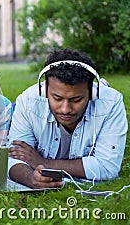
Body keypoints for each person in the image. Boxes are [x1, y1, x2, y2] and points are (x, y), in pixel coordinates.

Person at [7, 49, 128, 189]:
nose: (65, 109)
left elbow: (107, 167)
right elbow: (14, 157)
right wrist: (30, 179)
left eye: (76, 99)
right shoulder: (28, 101)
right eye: (57, 98)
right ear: (44, 90)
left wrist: (44, 163)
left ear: (92, 92)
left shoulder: (111, 103)